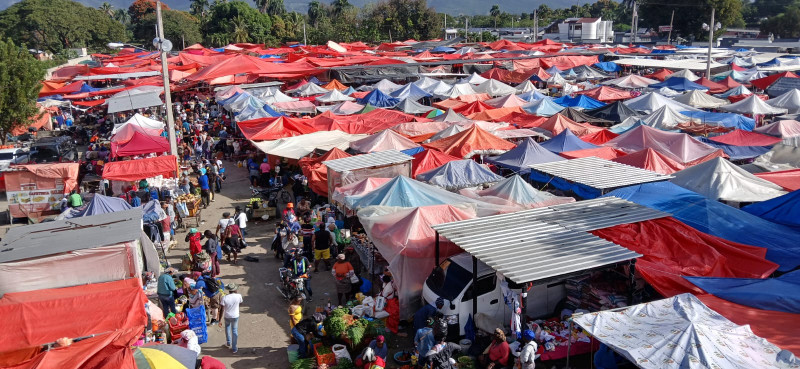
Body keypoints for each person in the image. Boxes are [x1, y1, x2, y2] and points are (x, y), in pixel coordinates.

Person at [221, 283, 243, 353]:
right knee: (234, 330)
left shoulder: (224, 297)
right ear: (235, 289)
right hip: (235, 316)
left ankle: (228, 342)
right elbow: (241, 303)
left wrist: (219, 319)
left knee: (227, 328)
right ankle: (234, 348)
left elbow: (222, 309)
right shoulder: (239, 296)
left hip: (227, 316)